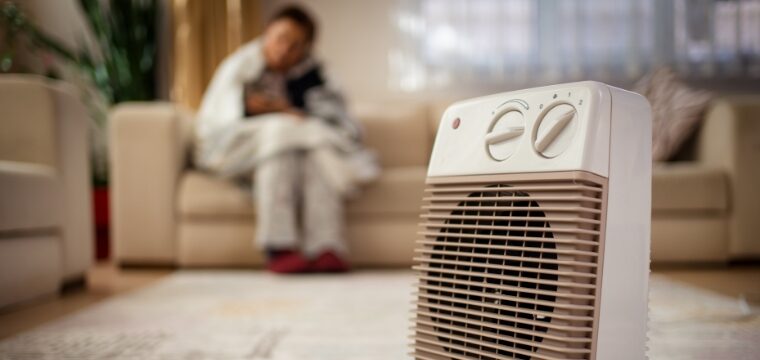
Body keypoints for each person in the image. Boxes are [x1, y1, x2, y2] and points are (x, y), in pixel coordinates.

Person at [193, 6, 377, 274]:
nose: (284, 49)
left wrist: (291, 116)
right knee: (281, 136)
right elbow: (218, 121)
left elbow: (337, 120)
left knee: (314, 148)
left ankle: (326, 246)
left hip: (303, 149)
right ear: (267, 33)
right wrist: (274, 113)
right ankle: (278, 245)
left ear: (306, 49)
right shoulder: (240, 67)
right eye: (280, 38)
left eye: (295, 45)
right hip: (244, 150)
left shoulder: (317, 74)